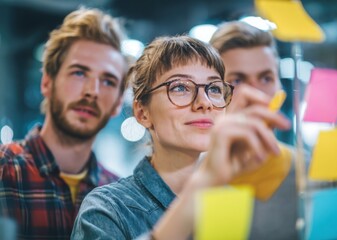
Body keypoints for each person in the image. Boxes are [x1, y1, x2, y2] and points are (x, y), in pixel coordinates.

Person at [71, 35, 291, 239]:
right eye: (179, 87)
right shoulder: (107, 210)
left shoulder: (242, 200)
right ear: (142, 113)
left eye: (214, 88)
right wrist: (200, 187)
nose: (204, 102)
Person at [210, 21, 337, 239]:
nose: (256, 94)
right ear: (213, 91)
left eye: (266, 78)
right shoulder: (194, 180)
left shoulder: (319, 179)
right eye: (237, 80)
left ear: (280, 87)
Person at [0, 7, 127, 240]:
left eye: (108, 81)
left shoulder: (120, 197)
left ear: (119, 103)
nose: (92, 92)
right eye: (79, 73)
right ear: (47, 82)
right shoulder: (3, 171)